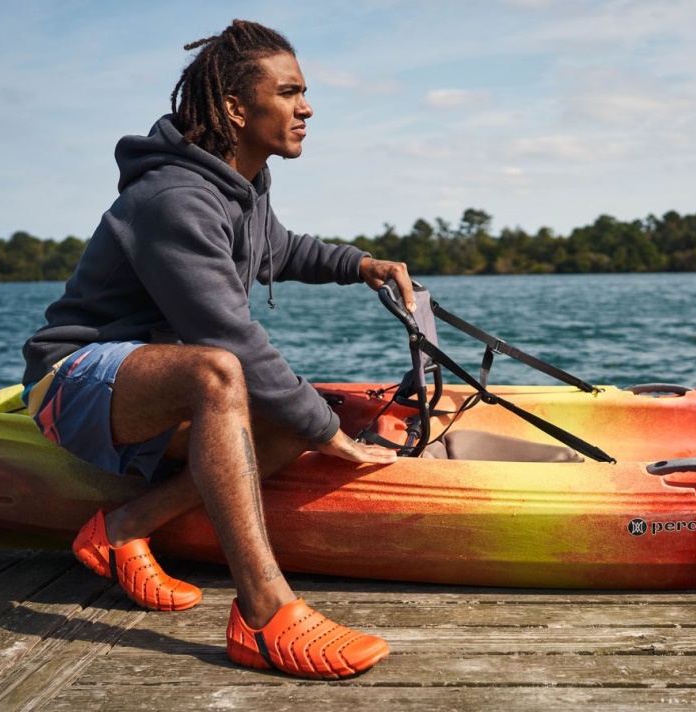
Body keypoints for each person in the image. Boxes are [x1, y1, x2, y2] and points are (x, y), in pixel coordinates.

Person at [21, 19, 416, 680]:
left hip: (148, 383)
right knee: (223, 373)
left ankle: (122, 529)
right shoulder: (172, 200)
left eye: (305, 92)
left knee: (290, 418)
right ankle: (263, 614)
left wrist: (361, 264)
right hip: (72, 381)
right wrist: (333, 435)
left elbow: (282, 249)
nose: (307, 107)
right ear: (236, 107)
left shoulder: (243, 184)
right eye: (289, 93)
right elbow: (226, 337)